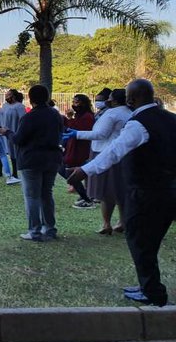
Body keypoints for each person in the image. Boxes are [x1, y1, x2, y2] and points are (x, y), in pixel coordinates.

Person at [68, 79, 176, 307]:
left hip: (145, 192)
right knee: (150, 241)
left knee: (139, 240)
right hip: (169, 190)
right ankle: (147, 284)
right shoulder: (170, 119)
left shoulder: (138, 124)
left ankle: (152, 293)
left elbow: (115, 151)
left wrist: (85, 170)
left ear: (132, 99)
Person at [0, 85, 63, 242]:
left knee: (32, 196)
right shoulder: (55, 115)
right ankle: (50, 229)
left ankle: (34, 231)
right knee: (46, 194)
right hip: (52, 158)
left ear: (30, 98)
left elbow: (19, 139)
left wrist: (7, 132)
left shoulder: (30, 117)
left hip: (31, 160)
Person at [69, 88, 132, 235]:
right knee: (121, 190)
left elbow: (100, 134)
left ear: (114, 100)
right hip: (123, 153)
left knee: (106, 192)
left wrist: (76, 134)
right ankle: (122, 222)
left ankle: (106, 224)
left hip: (104, 152)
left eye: (109, 98)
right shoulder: (129, 113)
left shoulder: (112, 113)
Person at [60, 94, 96, 209]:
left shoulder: (87, 117)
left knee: (69, 172)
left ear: (84, 103)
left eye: (76, 102)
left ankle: (87, 198)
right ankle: (85, 195)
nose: (74, 105)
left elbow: (78, 129)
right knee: (68, 171)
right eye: (73, 102)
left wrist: (69, 119)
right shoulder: (80, 115)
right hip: (74, 147)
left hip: (80, 149)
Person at [0, 89, 26, 178]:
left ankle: (16, 172)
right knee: (6, 151)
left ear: (13, 96)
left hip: (14, 132)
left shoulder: (19, 106)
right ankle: (1, 170)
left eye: (8, 95)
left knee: (15, 152)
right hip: (4, 132)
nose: (6, 97)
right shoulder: (5, 106)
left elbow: (23, 119)